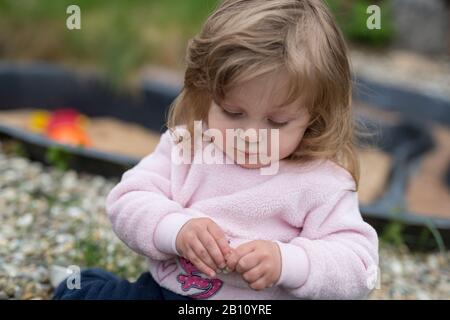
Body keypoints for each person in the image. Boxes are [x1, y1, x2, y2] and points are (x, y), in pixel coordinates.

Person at [54, 0, 378, 300]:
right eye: (233, 113)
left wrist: (289, 262)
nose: (251, 136)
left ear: (314, 115)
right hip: (173, 294)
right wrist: (176, 229)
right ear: (206, 92)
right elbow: (127, 201)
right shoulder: (189, 147)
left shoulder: (321, 181)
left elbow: (360, 267)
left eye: (277, 122)